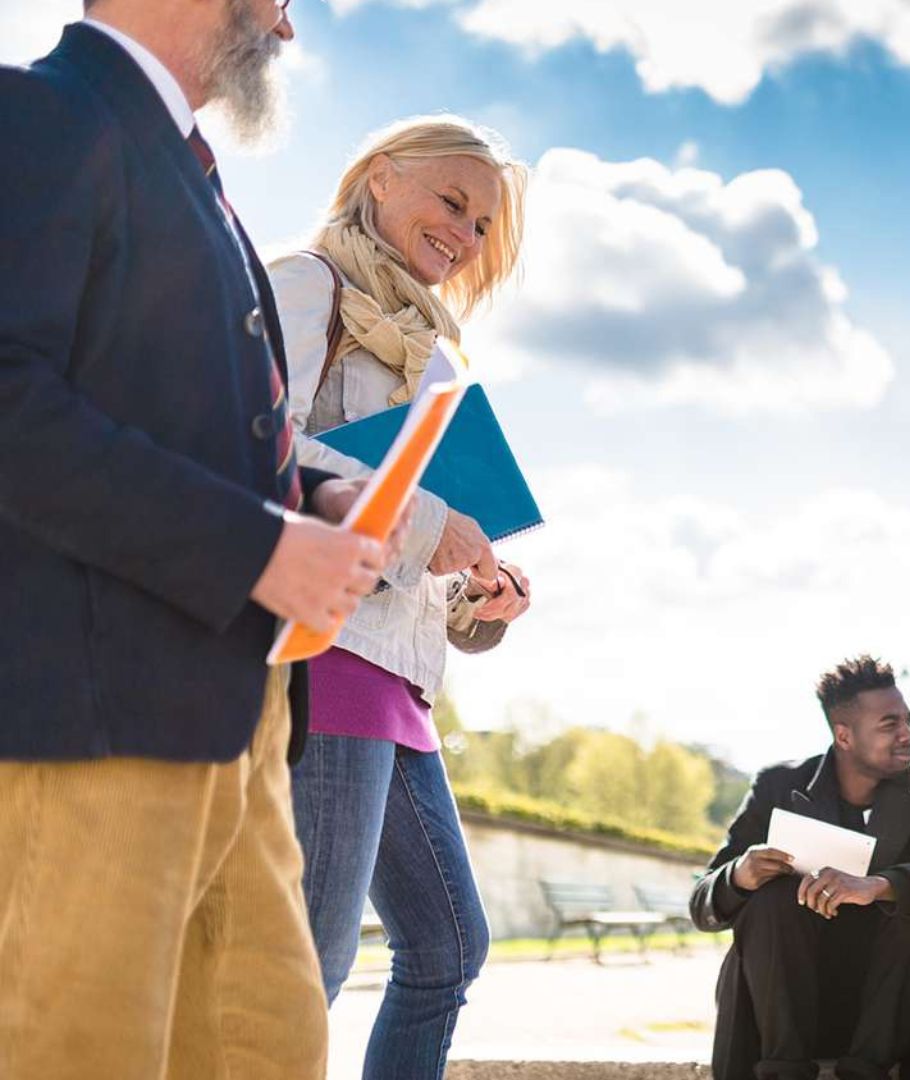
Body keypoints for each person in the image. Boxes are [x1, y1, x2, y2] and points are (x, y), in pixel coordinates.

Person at [0, 2, 386, 1076]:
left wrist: (313, 498)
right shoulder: (35, 116)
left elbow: (187, 417)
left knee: (265, 1049)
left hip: (238, 723)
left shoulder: (185, 168)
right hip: (93, 725)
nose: (287, 27)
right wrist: (257, 548)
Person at [269, 115, 534, 1079]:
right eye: (452, 203)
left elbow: (425, 552)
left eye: (481, 225)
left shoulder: (433, 349)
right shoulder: (308, 288)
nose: (465, 237)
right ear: (379, 178)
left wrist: (479, 592)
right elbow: (259, 446)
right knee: (308, 965)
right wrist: (430, 528)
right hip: (324, 665)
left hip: (400, 687)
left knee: (449, 948)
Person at [692, 655, 910, 1080]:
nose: (907, 734)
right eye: (890, 724)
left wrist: (879, 885)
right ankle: (783, 1072)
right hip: (790, 1014)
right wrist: (740, 874)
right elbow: (702, 901)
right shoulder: (779, 785)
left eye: (908, 720)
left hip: (890, 1020)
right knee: (771, 896)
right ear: (844, 736)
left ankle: (864, 1072)